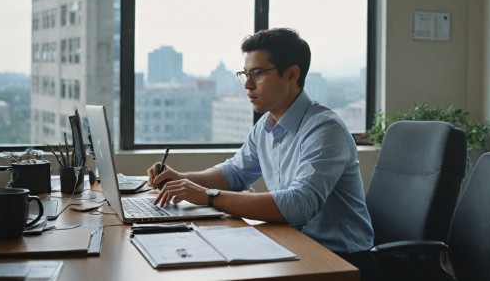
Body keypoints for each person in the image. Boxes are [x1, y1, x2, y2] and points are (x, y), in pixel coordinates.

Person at [147, 28, 378, 279]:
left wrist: (208, 196)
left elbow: (300, 204)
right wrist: (182, 178)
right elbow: (235, 172)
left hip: (341, 260)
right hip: (291, 243)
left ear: (291, 74)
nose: (247, 84)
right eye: (245, 74)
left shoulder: (324, 128)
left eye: (257, 74)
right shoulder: (265, 126)